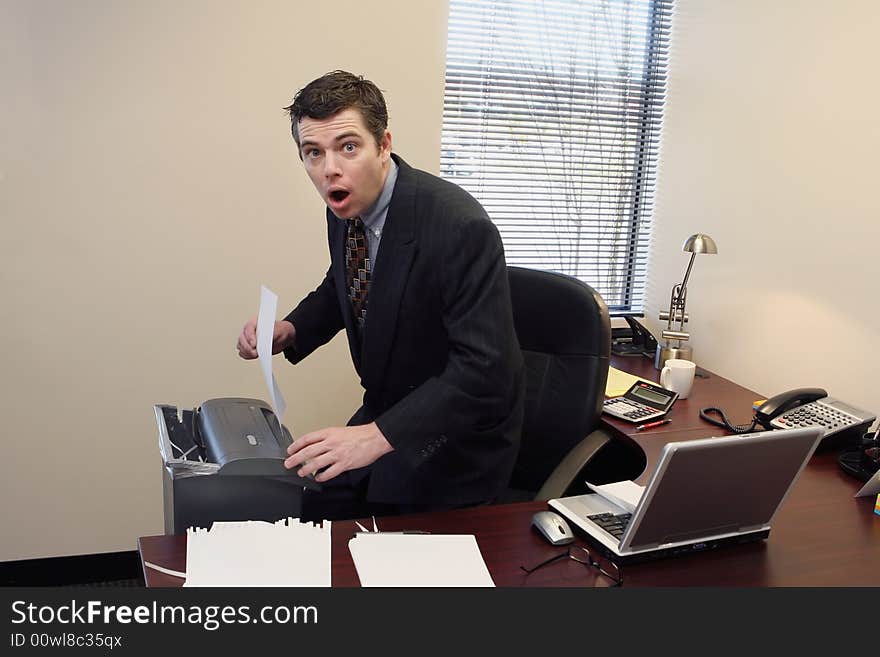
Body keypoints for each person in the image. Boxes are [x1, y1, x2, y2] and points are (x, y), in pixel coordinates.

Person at [236, 70, 524, 521]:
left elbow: (485, 370)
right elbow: (346, 282)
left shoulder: (458, 226)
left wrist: (376, 437)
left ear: (383, 144)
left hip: (454, 441)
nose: (329, 167)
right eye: (313, 153)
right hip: (387, 412)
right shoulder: (345, 204)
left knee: (384, 552)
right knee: (304, 502)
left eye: (348, 147)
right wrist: (291, 330)